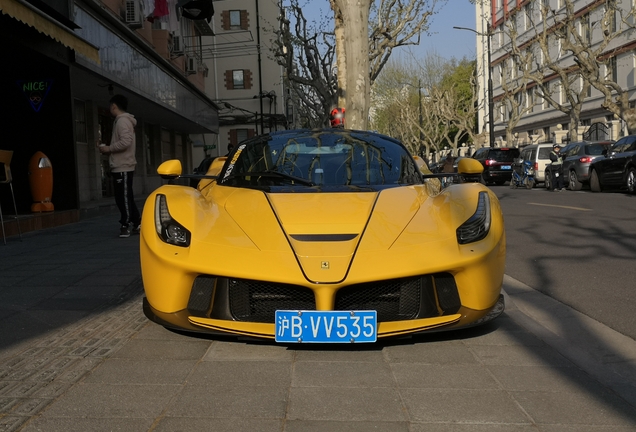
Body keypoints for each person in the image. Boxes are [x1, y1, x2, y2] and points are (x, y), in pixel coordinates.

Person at [97, 94, 141, 237]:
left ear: (114, 106)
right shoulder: (123, 121)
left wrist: (108, 148)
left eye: (111, 106)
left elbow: (126, 142)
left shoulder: (122, 121)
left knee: (123, 197)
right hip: (123, 165)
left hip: (123, 165)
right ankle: (137, 222)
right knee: (126, 196)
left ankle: (125, 224)